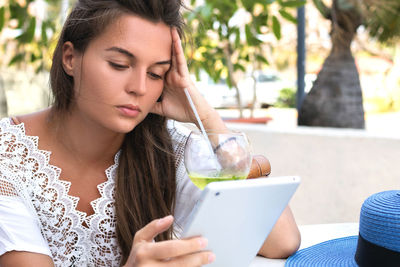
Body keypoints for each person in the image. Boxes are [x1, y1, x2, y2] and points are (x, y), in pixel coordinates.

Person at [0, 0, 300, 266]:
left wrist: (205, 116)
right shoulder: (7, 157)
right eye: (119, 65)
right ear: (70, 58)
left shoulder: (163, 149)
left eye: (156, 73)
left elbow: (281, 240)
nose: (139, 88)